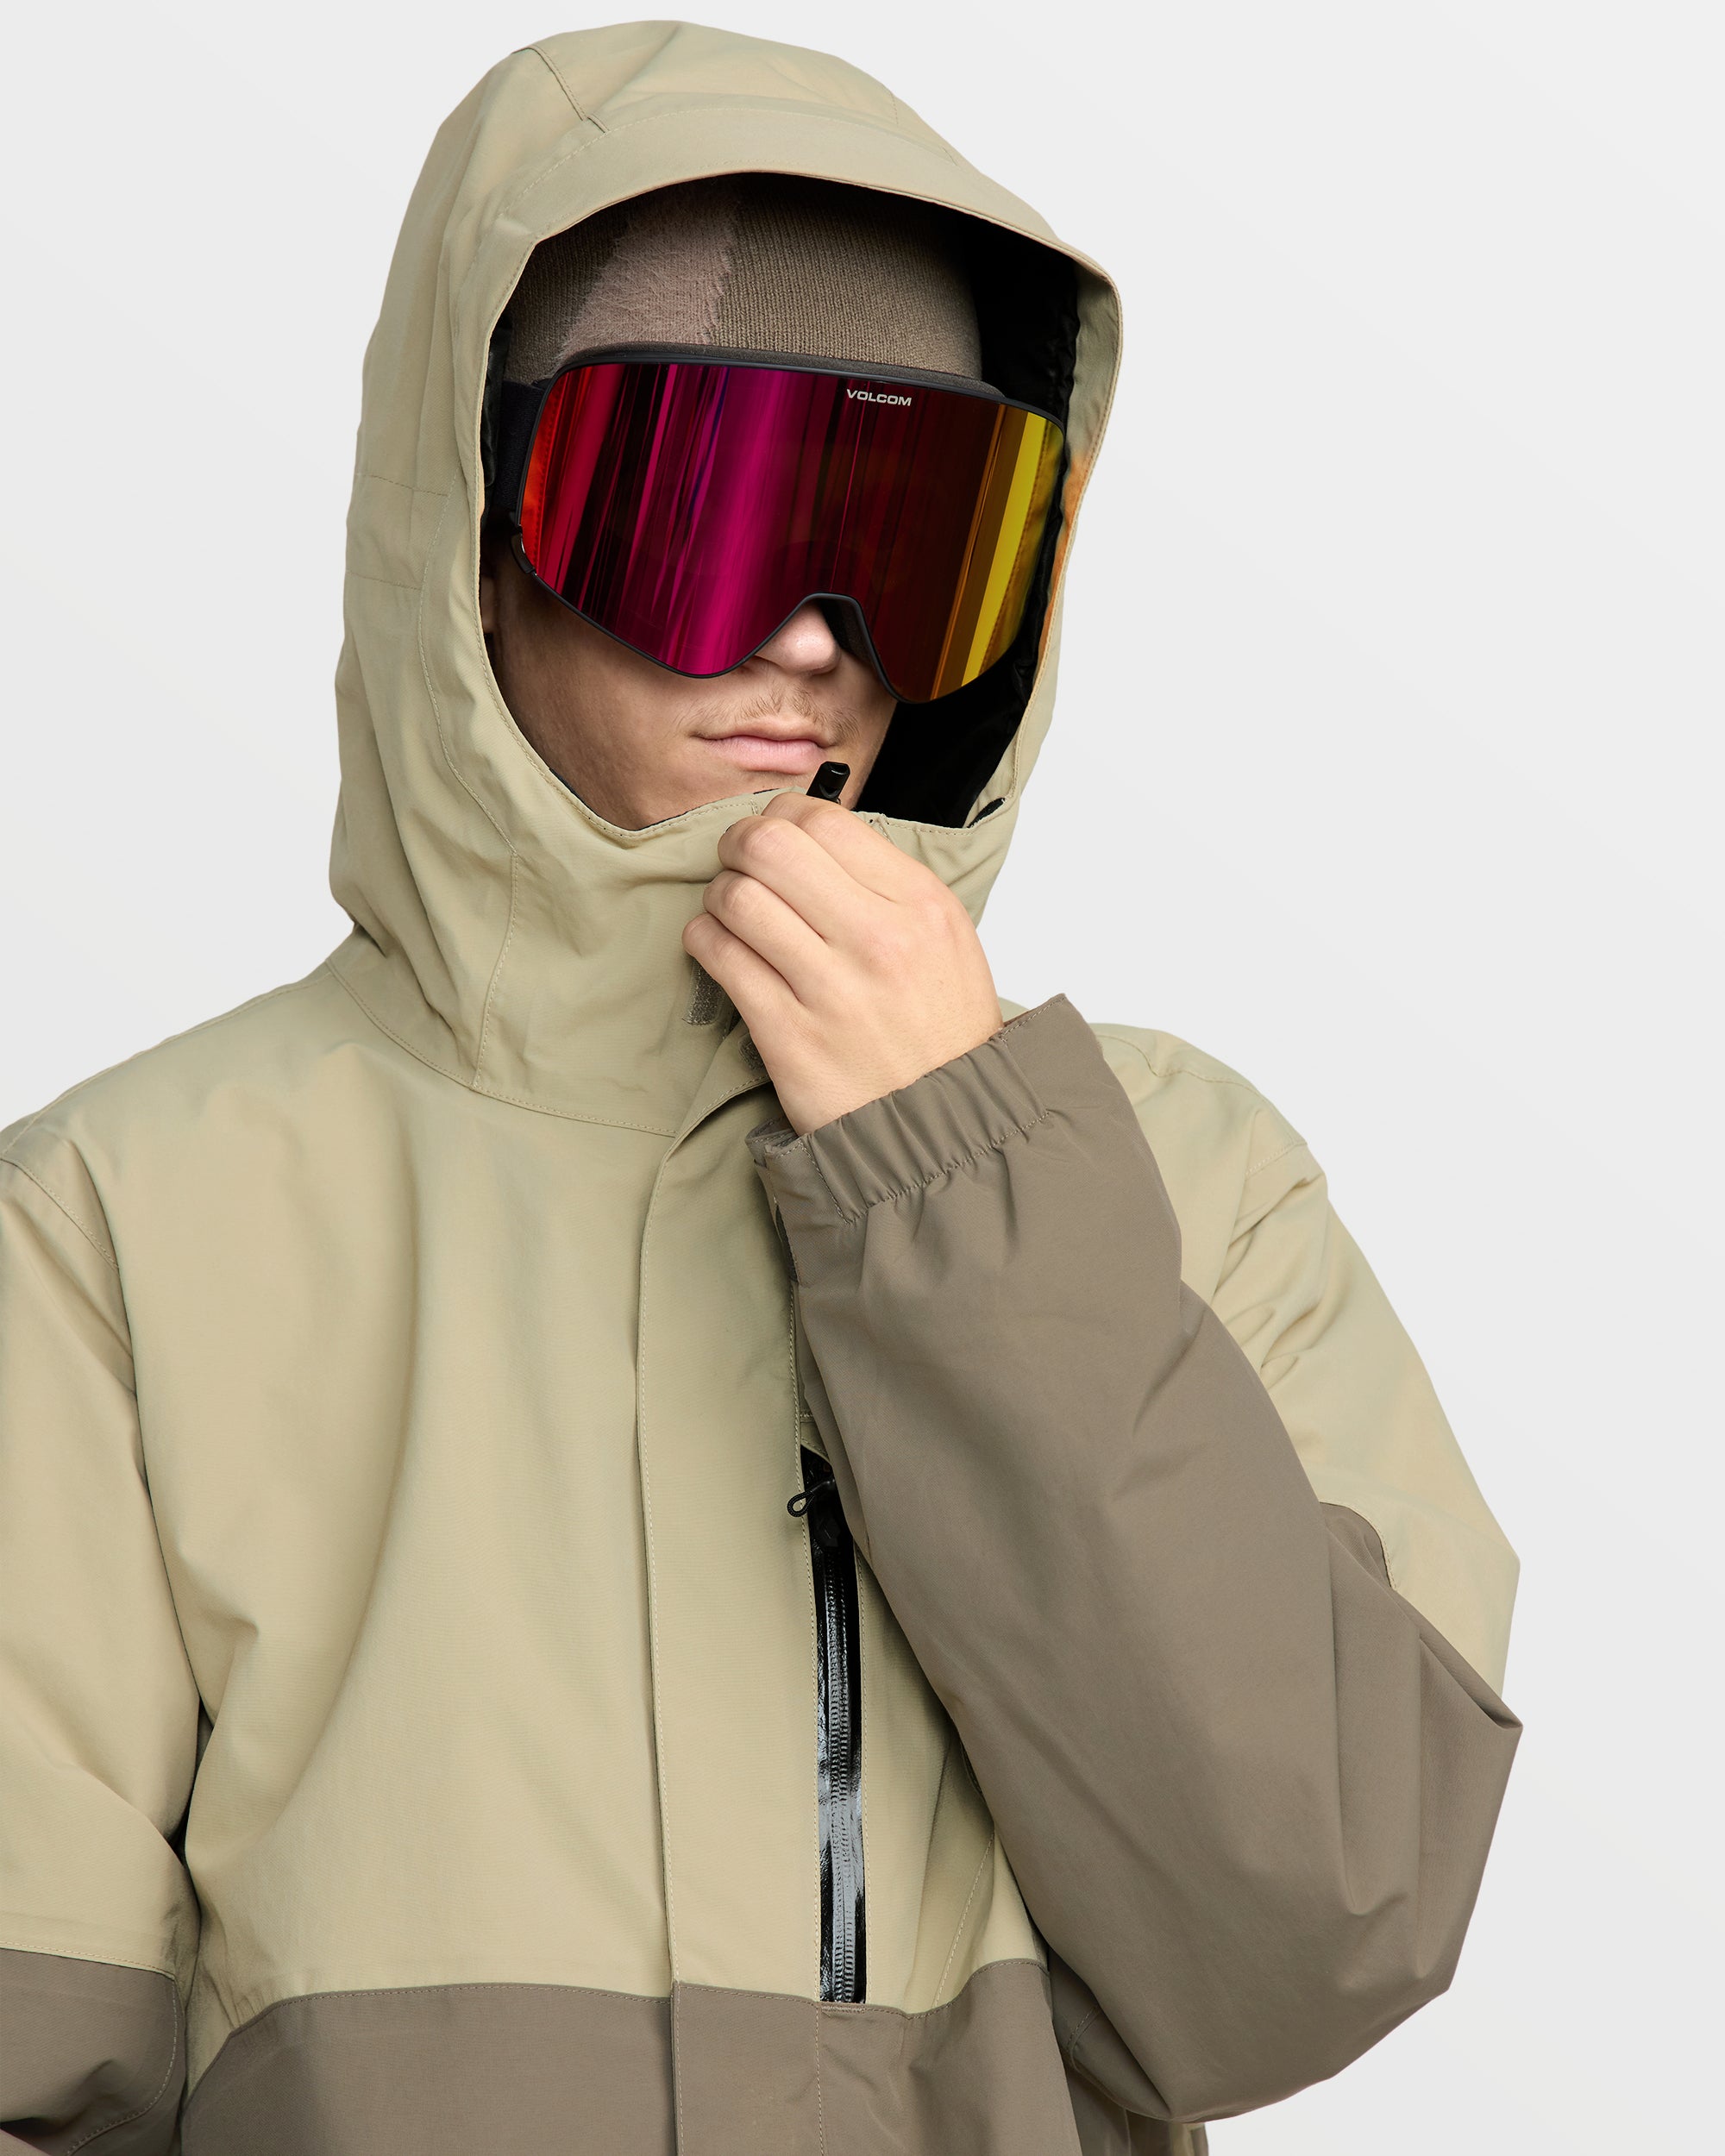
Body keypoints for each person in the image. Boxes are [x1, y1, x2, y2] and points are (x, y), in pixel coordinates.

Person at [0, 24, 1521, 2156]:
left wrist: (965, 1191)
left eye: (908, 533)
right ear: (475, 532)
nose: (815, 641)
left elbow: (1314, 1931)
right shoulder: (119, 1223)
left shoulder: (1178, 1179)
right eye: (701, 512)